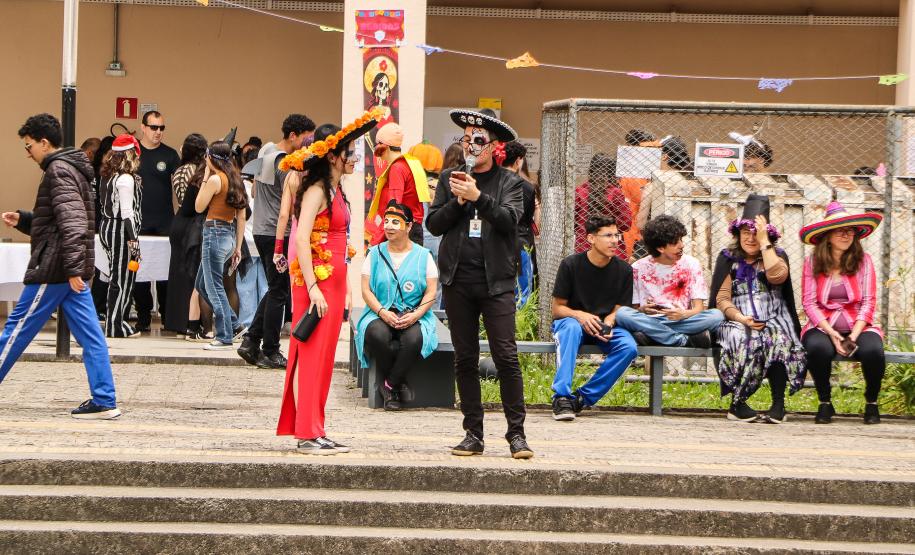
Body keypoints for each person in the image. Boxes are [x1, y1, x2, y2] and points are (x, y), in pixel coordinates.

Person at [426, 108, 533, 460]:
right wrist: (459, 201)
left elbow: (509, 221)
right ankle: (473, 433)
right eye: (466, 138)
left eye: (479, 139)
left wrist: (479, 198)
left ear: (494, 146)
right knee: (465, 358)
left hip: (497, 281)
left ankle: (517, 434)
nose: (471, 145)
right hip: (458, 279)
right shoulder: (448, 179)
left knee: (506, 356)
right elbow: (435, 225)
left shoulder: (511, 183)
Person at [0, 113, 120, 419]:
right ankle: (104, 399)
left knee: (15, 331)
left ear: (44, 142)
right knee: (92, 336)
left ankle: (104, 399)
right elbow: (62, 221)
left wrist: (72, 270)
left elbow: (73, 223)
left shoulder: (57, 170)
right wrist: (26, 220)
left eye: (29, 146)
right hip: (68, 269)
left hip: (55, 270)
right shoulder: (74, 169)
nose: (28, 153)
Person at [276, 110, 380, 454]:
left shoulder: (337, 190)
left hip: (333, 282)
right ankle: (306, 431)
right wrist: (313, 286)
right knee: (311, 356)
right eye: (349, 152)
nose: (354, 158)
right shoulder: (317, 190)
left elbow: (342, 242)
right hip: (315, 283)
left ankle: (315, 428)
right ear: (333, 155)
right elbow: (302, 238)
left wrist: (345, 286)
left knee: (324, 359)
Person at [708, 195, 805, 423]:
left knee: (778, 338)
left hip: (775, 316)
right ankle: (737, 404)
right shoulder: (727, 259)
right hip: (736, 318)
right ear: (738, 235)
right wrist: (741, 318)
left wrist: (765, 243)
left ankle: (778, 405)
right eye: (746, 233)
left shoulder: (777, 256)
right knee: (744, 339)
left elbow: (778, 277)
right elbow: (722, 299)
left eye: (756, 233)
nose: (750, 238)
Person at [238, 114, 315, 370]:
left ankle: (251, 341)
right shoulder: (286, 164)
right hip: (275, 232)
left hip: (262, 228)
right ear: (293, 135)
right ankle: (270, 349)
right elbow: (288, 205)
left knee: (274, 288)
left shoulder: (267, 153)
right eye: (306, 137)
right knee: (280, 291)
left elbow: (254, 190)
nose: (308, 143)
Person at [798, 201, 885, 425]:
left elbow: (868, 302)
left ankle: (871, 403)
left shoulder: (864, 262)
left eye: (850, 231)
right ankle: (825, 402)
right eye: (840, 230)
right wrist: (833, 334)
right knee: (817, 348)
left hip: (858, 323)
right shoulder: (812, 262)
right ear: (827, 235)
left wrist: (852, 337)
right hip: (823, 323)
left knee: (874, 351)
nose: (846, 235)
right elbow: (809, 303)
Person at [550, 215, 638, 421]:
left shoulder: (624, 270)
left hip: (604, 328)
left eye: (617, 235)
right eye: (608, 235)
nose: (615, 240)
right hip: (573, 323)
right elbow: (557, 309)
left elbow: (620, 308)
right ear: (591, 238)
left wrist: (610, 319)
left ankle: (581, 398)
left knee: (628, 347)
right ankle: (561, 397)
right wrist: (580, 315)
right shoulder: (570, 265)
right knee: (570, 328)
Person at [355, 201, 439, 411]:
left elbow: (431, 291)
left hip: (413, 313)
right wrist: (382, 312)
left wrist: (417, 314)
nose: (389, 226)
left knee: (414, 339)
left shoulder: (423, 255)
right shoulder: (374, 253)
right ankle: (397, 384)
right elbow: (366, 290)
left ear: (409, 226)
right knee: (376, 334)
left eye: (396, 222)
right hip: (380, 311)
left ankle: (389, 384)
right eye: (387, 221)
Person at [615, 215, 723, 347]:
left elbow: (699, 308)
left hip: (681, 321)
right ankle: (681, 340)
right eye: (675, 243)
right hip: (649, 320)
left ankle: (654, 336)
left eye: (681, 240)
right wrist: (643, 310)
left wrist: (684, 314)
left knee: (716, 316)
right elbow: (635, 309)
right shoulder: (638, 267)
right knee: (622, 314)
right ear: (660, 248)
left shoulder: (691, 264)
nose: (681, 245)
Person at [194, 141, 248, 350]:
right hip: (228, 234)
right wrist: (238, 246)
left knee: (214, 286)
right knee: (202, 283)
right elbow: (241, 216)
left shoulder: (216, 180)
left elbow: (199, 206)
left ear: (210, 157)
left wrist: (206, 175)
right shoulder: (236, 179)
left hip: (214, 233)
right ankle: (233, 324)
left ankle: (225, 335)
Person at [133, 111, 180, 331]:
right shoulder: (133, 153)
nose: (158, 132)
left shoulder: (170, 155)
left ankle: (167, 315)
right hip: (138, 221)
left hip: (164, 222)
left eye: (161, 128)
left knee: (165, 271)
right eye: (153, 127)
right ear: (143, 127)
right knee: (138, 269)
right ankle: (143, 316)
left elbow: (179, 188)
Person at [164, 133, 210, 339]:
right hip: (192, 223)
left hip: (179, 221)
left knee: (178, 273)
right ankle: (190, 321)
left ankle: (175, 320)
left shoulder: (179, 171)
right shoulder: (199, 173)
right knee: (192, 272)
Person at [97, 134, 144, 338]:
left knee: (118, 276)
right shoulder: (125, 179)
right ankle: (115, 325)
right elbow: (127, 213)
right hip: (119, 230)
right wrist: (134, 242)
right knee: (121, 279)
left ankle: (116, 322)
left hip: (107, 227)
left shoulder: (108, 176)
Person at [365, 123, 431, 246]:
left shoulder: (397, 168)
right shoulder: (409, 163)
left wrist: (375, 242)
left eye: (377, 145)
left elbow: (393, 209)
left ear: (384, 146)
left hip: (401, 231)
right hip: (409, 228)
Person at [574, 153, 632, 258]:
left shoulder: (579, 191)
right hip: (611, 250)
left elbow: (572, 222)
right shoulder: (615, 193)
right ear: (612, 172)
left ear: (591, 171)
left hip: (584, 247)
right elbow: (626, 224)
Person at [408, 141, 444, 309]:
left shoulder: (414, 185)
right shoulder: (440, 185)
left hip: (418, 242)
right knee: (434, 287)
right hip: (436, 243)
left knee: (414, 287)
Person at [236, 148, 268, 329]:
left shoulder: (239, 186)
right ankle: (266, 323)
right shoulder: (268, 185)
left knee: (245, 286)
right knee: (266, 286)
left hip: (246, 243)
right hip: (264, 241)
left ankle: (247, 324)